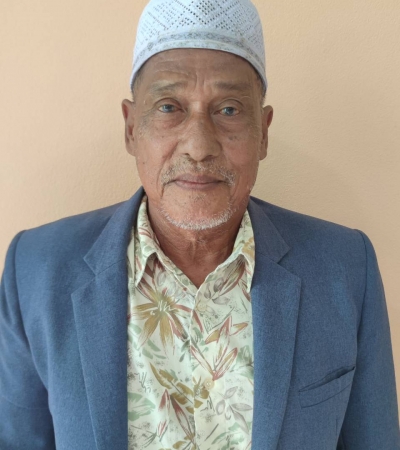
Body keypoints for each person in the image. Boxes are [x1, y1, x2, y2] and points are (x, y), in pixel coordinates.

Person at [0, 0, 399, 448]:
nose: (198, 146)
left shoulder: (345, 269)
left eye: (228, 110)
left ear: (264, 132)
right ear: (131, 129)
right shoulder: (36, 272)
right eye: (169, 107)